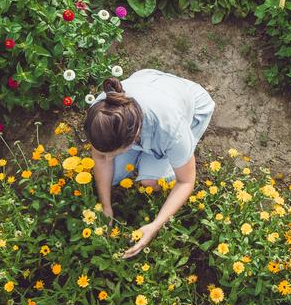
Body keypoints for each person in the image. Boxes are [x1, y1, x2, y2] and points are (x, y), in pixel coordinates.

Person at [84, 68, 215, 259]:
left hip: (190, 106)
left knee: (150, 183)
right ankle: (144, 160)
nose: (106, 157)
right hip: (151, 83)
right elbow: (100, 157)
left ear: (132, 140)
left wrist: (155, 225)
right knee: (114, 178)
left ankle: (152, 160)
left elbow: (185, 182)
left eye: (112, 153)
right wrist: (106, 206)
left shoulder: (171, 129)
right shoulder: (100, 114)